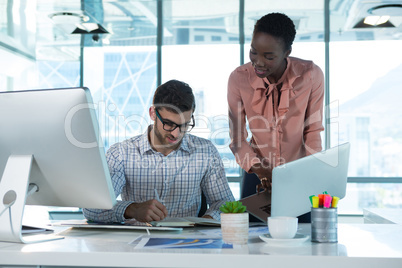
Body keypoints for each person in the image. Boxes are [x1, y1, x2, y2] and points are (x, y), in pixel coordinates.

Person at [83, 80, 234, 223]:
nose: (176, 134)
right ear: (153, 113)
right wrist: (132, 209)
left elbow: (225, 203)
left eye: (184, 125)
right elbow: (92, 208)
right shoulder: (121, 154)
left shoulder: (205, 152)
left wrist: (205, 223)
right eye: (169, 124)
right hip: (135, 243)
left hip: (187, 243)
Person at [227, 13, 324, 221]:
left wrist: (309, 170)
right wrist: (261, 171)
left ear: (287, 52)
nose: (258, 62)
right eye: (253, 52)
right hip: (256, 173)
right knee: (254, 241)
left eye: (269, 57)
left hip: (299, 173)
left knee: (305, 238)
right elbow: (237, 138)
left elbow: (313, 130)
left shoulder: (311, 75)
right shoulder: (238, 79)